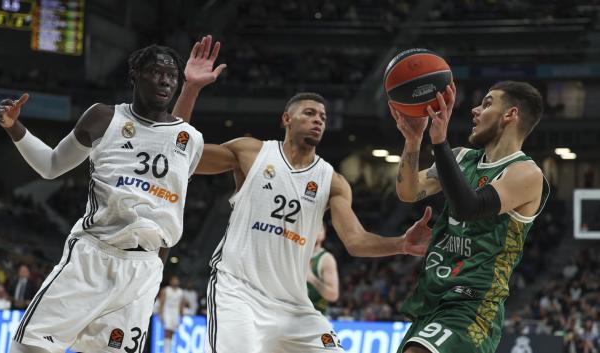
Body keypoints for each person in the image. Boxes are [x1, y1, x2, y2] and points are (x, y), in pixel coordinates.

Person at [171, 37, 435, 352]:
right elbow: (178, 154)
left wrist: (401, 244)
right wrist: (190, 89)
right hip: (238, 293)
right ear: (287, 119)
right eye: (309, 113)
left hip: (294, 305)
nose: (317, 121)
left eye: (322, 117)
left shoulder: (332, 181)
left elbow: (356, 241)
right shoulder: (251, 153)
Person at [0, 39, 223, 353]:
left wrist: (192, 87)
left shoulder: (191, 140)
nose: (165, 80)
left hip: (143, 269)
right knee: (31, 347)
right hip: (92, 254)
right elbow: (50, 166)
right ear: (135, 76)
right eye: (155, 72)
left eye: (172, 75)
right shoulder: (103, 118)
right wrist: (13, 127)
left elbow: (172, 138)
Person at [390, 81, 550, 353]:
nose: (475, 110)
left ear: (510, 114)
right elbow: (408, 191)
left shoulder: (525, 173)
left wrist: (439, 141)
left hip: (474, 305)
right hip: (433, 299)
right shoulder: (462, 158)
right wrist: (413, 141)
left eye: (487, 103)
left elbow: (470, 207)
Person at [306, 222, 339, 315]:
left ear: (324, 234)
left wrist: (312, 279)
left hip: (315, 317)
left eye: (319, 228)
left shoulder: (326, 259)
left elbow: (333, 295)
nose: (315, 231)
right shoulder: (293, 254)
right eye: (312, 227)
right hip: (290, 315)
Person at [158, 275, 186, 353]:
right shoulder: (165, 290)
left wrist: (182, 315)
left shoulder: (181, 292)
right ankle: (165, 351)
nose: (175, 282)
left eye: (176, 280)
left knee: (172, 332)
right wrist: (161, 314)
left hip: (175, 313)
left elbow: (181, 304)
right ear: (171, 281)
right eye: (174, 280)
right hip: (167, 311)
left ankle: (169, 350)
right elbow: (161, 303)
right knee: (167, 331)